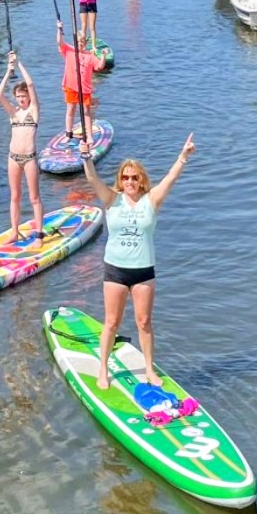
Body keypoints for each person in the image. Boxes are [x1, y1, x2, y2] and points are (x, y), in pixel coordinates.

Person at [80, 134, 196, 389]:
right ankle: (102, 370)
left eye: (134, 177)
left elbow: (171, 179)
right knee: (111, 322)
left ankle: (149, 371)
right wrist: (86, 156)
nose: (130, 181)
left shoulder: (151, 201)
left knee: (144, 322)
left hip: (143, 271)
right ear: (120, 180)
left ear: (141, 179)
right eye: (125, 177)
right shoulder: (112, 199)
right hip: (116, 271)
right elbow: (91, 179)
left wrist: (183, 157)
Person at [0, 51, 43, 243]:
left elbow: (30, 84)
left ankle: (39, 234)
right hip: (13, 158)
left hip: (29, 158)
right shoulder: (13, 113)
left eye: (24, 96)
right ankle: (14, 232)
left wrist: (20, 63)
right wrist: (9, 70)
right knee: (14, 196)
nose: (22, 99)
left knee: (34, 197)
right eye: (19, 96)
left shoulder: (34, 111)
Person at [57, 19, 105, 141]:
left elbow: (99, 66)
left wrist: (103, 56)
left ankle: (89, 135)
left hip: (84, 88)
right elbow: (59, 42)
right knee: (71, 109)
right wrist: (59, 30)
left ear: (86, 43)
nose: (81, 44)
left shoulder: (90, 55)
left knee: (86, 111)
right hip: (71, 86)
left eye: (83, 42)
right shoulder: (69, 50)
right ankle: (69, 134)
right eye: (78, 42)